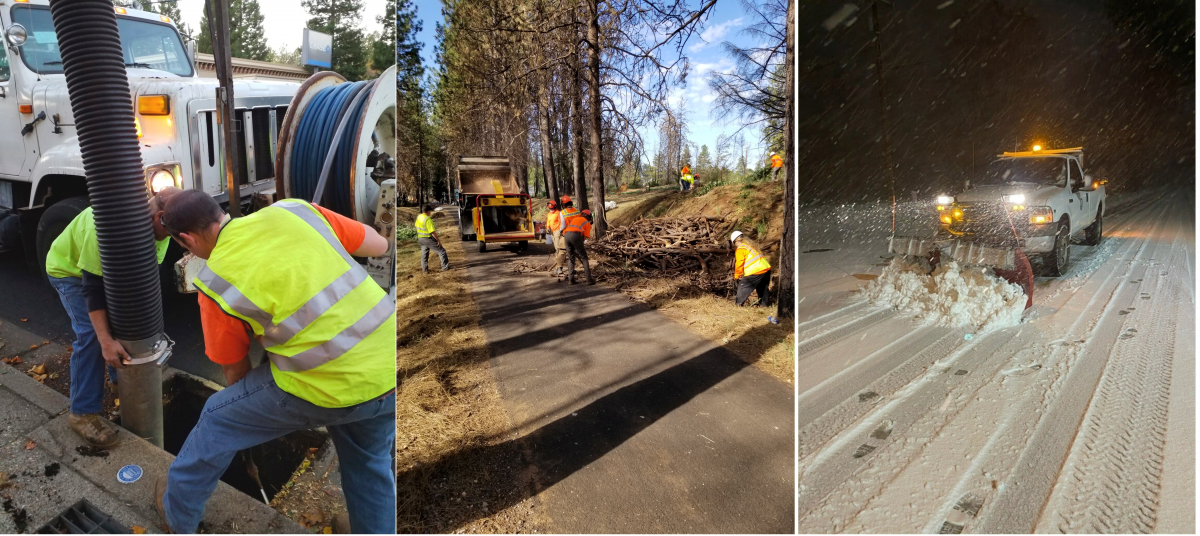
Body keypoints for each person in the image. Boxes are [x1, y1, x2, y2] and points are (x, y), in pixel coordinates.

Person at [155, 191, 395, 535]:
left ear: (188, 239)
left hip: (329, 385)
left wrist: (248, 421)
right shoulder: (295, 209)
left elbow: (236, 373)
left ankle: (176, 517)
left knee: (216, 419)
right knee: (369, 464)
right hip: (390, 365)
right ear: (218, 212)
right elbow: (378, 245)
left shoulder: (214, 282)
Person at [45, 187, 181, 449]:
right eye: (173, 232)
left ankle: (120, 381)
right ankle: (82, 412)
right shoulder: (106, 228)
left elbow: (143, 279)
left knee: (121, 323)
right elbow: (93, 288)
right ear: (160, 216)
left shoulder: (162, 228)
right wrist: (106, 340)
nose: (174, 238)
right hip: (69, 272)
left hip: (104, 272)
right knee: (93, 337)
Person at [731, 230, 772, 307]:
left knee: (743, 286)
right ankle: (764, 306)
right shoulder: (751, 246)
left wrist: (737, 275)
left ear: (735, 241)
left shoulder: (741, 249)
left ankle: (738, 306)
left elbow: (739, 263)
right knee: (762, 288)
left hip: (755, 270)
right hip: (765, 269)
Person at [563, 208, 595, 285]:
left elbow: (571, 229)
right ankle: (589, 279)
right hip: (575, 235)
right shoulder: (587, 223)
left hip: (566, 235)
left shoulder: (575, 219)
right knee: (584, 257)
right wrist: (580, 246)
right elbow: (584, 237)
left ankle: (571, 280)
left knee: (571, 257)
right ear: (589, 217)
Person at [415, 204, 449, 273]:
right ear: (428, 211)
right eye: (430, 211)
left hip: (420, 238)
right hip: (427, 238)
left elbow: (416, 225)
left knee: (424, 255)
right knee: (441, 251)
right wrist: (438, 241)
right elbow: (432, 232)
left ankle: (425, 271)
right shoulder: (428, 219)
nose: (430, 212)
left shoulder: (419, 217)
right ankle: (445, 268)